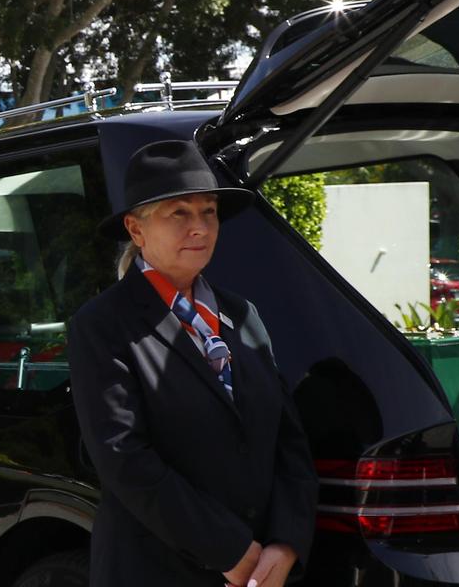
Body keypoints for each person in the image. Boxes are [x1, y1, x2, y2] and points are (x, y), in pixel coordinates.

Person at [67, 140, 318, 587]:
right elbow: (124, 458)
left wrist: (285, 543)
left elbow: (288, 442)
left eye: (208, 211)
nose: (199, 227)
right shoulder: (102, 325)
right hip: (155, 571)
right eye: (178, 213)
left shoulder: (242, 315)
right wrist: (228, 550)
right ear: (136, 230)